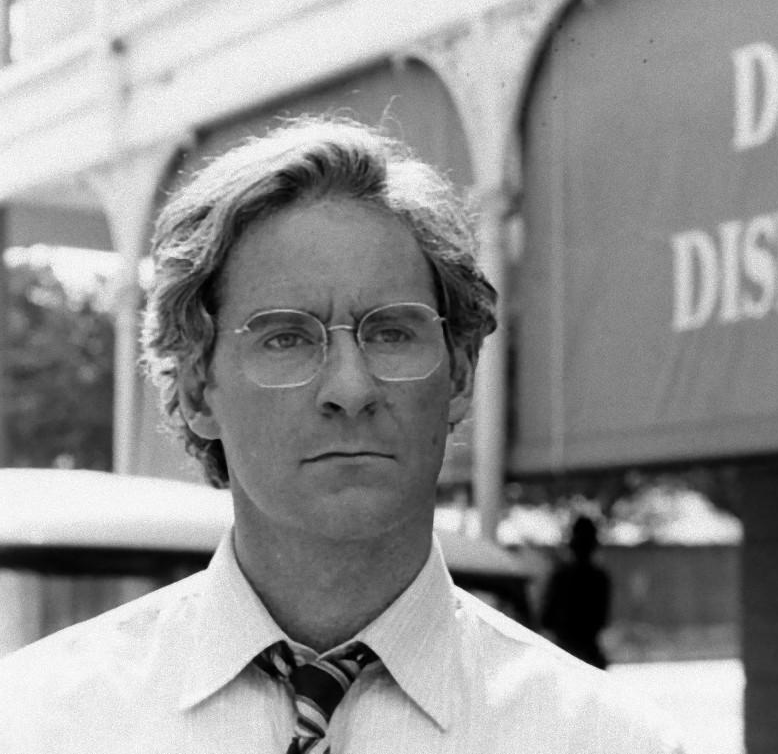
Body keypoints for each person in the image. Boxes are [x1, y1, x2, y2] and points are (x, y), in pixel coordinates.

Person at [0, 118, 685, 753]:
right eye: (286, 337)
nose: (350, 388)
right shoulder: (39, 722)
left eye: (391, 331)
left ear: (461, 373)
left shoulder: (611, 739)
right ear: (192, 390)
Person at [541, 515, 612, 669]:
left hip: (565, 653)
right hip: (586, 653)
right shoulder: (599, 578)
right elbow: (601, 620)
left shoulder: (561, 576)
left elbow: (546, 618)